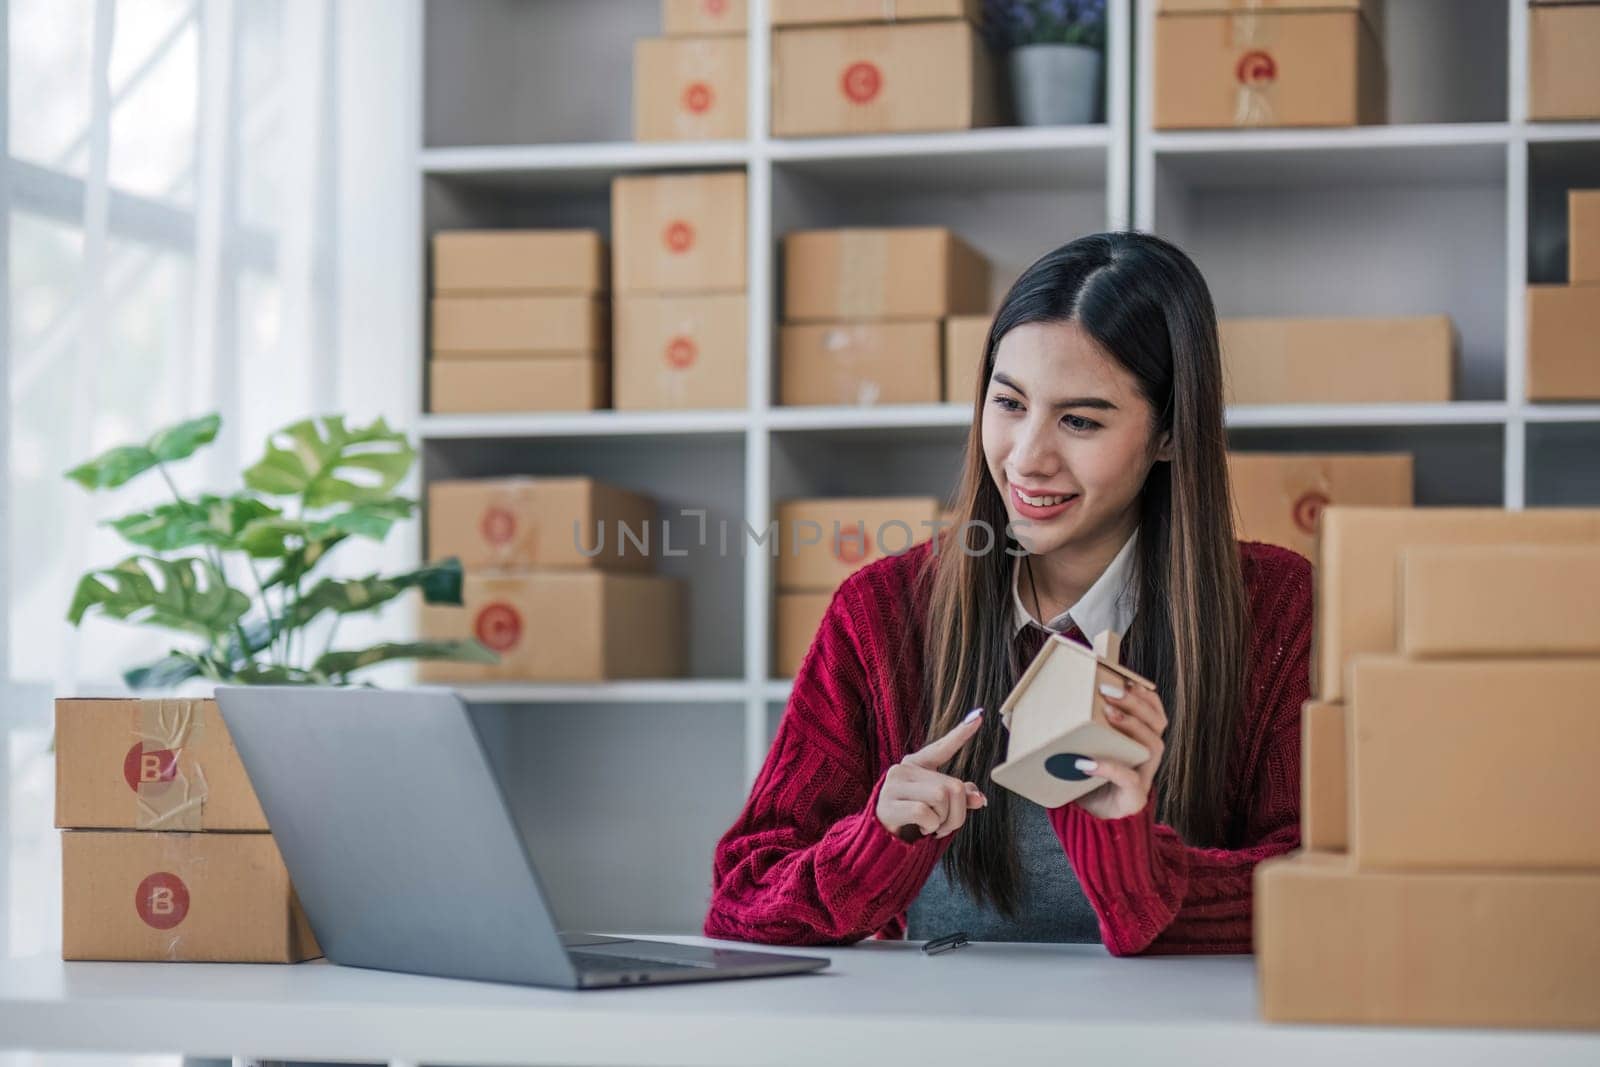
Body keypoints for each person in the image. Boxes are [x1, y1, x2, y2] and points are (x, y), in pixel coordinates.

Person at [704, 232, 1312, 955]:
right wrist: (874, 843)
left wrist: (1130, 856)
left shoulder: (1273, 605)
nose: (1027, 457)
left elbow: (1316, 883)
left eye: (1080, 420)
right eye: (1009, 403)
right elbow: (741, 899)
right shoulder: (884, 611)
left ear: (1171, 434)